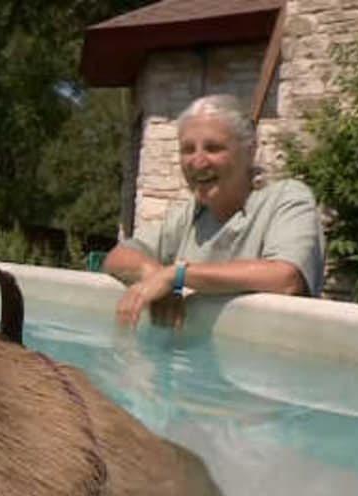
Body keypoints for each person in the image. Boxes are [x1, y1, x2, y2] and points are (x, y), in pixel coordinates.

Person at [104, 94, 325, 329]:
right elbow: (118, 256)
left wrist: (177, 276)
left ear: (250, 151)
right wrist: (152, 274)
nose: (198, 162)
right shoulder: (189, 215)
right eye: (188, 149)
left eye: (213, 148)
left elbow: (286, 278)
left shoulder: (286, 199)